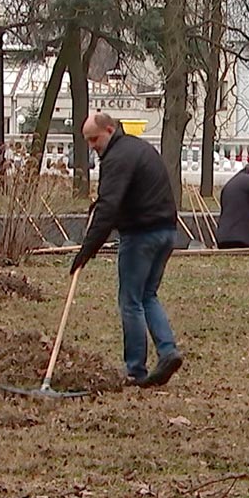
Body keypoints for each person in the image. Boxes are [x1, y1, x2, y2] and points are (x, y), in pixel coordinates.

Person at [71, 112, 184, 388]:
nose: (92, 146)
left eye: (95, 139)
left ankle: (135, 370)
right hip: (166, 231)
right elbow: (117, 199)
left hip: (141, 235)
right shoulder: (140, 148)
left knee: (130, 300)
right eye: (88, 141)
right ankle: (168, 351)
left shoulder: (117, 158)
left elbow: (109, 206)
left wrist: (86, 250)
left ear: (110, 129)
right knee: (147, 295)